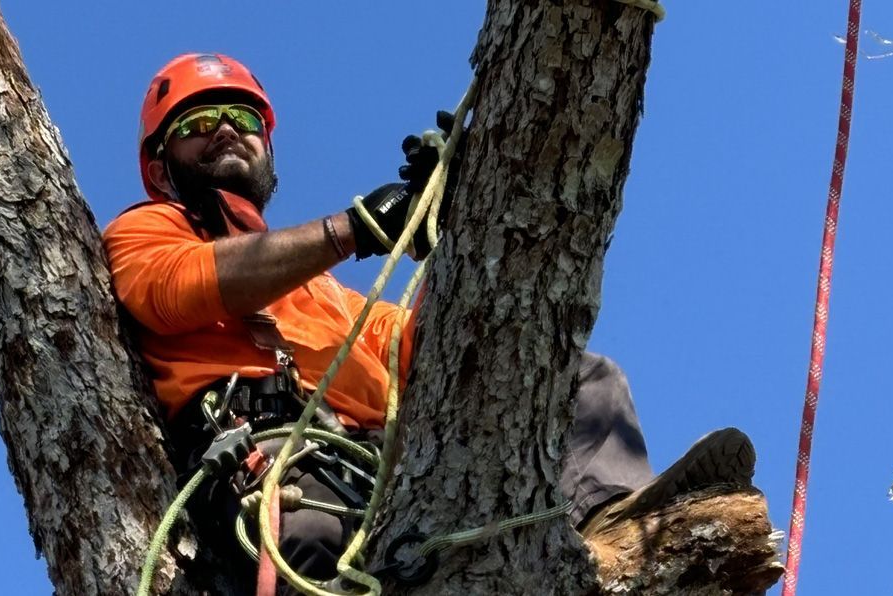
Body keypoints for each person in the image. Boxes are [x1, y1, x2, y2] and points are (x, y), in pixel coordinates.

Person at [103, 53, 756, 588]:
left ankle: (617, 531)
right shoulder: (148, 232)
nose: (225, 128)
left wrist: (465, 220)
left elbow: (437, 353)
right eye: (199, 121)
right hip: (277, 480)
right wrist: (350, 229)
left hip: (382, 477)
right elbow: (176, 288)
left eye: (240, 116)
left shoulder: (334, 300)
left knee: (580, 378)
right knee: (318, 541)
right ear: (160, 165)